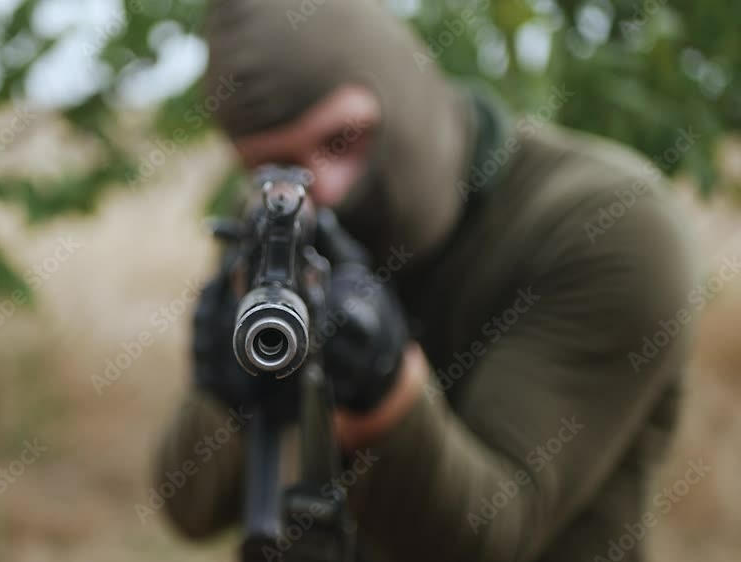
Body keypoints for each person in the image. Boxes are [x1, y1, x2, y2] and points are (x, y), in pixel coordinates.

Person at [153, 1, 695, 561]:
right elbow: (191, 510)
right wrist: (226, 391)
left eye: (342, 140)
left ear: (403, 92)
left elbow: (493, 534)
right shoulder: (279, 222)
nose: (326, 193)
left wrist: (385, 393)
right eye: (277, 169)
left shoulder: (605, 225)